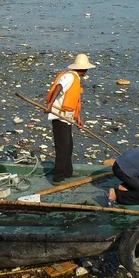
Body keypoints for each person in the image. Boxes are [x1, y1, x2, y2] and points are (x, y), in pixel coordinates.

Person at [45, 53, 96, 185]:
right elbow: (59, 87)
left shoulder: (77, 79)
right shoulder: (69, 76)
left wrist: (79, 118)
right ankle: (58, 178)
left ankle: (68, 172)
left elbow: (76, 101)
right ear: (84, 69)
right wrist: (50, 104)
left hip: (67, 118)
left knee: (68, 146)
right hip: (59, 116)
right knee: (62, 147)